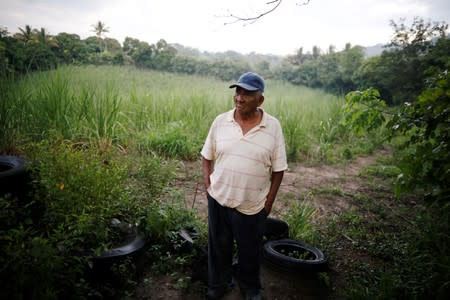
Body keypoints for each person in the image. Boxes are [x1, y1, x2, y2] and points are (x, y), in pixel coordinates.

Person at [201, 72, 288, 300]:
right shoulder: (221, 121)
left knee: (250, 250)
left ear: (260, 99)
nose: (240, 97)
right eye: (238, 91)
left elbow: (279, 169)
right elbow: (206, 155)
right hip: (219, 197)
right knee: (219, 246)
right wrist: (208, 184)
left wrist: (268, 203)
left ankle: (250, 287)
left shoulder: (273, 127)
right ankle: (218, 284)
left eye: (247, 93)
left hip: (252, 204)